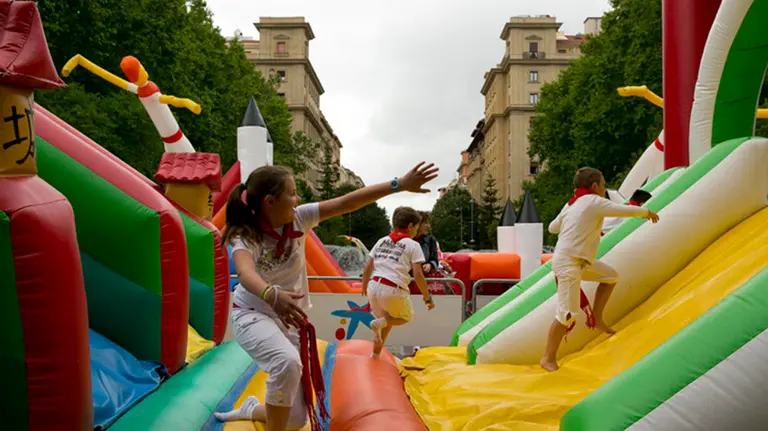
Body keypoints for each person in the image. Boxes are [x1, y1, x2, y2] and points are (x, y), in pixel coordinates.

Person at [215, 162, 438, 431]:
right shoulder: (245, 234)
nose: (298, 199)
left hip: (290, 319)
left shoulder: (299, 218)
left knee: (296, 420)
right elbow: (245, 271)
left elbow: (346, 202)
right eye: (293, 192)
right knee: (285, 363)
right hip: (253, 313)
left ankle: (252, 408)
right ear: (270, 201)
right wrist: (270, 293)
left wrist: (399, 184)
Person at [540, 167, 659, 372]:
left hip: (579, 262)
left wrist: (570, 217)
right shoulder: (592, 202)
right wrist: (646, 212)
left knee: (610, 276)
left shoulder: (573, 204)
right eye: (603, 184)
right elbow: (622, 210)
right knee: (566, 313)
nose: (604, 188)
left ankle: (597, 316)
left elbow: (552, 228)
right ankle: (547, 358)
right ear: (594, 185)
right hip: (569, 263)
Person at [361, 207, 435, 359]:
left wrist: (363, 286)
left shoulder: (382, 240)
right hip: (393, 288)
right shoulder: (413, 245)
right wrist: (427, 297)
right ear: (410, 226)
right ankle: (378, 331)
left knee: (384, 323)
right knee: (404, 317)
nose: (417, 230)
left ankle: (375, 354)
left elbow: (368, 267)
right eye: (416, 226)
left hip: (373, 286)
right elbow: (418, 274)